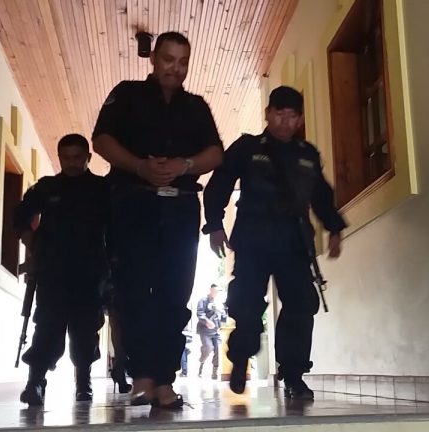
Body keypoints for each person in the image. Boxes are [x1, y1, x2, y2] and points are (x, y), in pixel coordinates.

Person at [91, 31, 223, 409]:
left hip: (180, 208)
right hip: (133, 203)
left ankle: (165, 378)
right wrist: (138, 166)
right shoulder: (127, 94)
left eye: (183, 62)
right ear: (153, 59)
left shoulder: (196, 106)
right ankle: (142, 377)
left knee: (175, 291)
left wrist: (185, 165)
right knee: (133, 290)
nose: (175, 68)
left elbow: (216, 153)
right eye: (168, 59)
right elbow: (101, 140)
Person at [202, 86, 347, 400]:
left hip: (293, 242)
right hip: (253, 239)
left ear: (300, 119)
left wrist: (334, 228)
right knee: (247, 304)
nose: (284, 121)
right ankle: (241, 356)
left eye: (292, 116)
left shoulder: (307, 154)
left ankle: (293, 375)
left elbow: (321, 196)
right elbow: (220, 183)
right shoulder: (247, 147)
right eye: (279, 113)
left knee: (300, 306)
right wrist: (214, 224)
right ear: (268, 114)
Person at [13, 134, 109, 406]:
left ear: (88, 157)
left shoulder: (102, 189)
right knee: (47, 327)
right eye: (66, 158)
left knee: (85, 331)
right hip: (52, 271)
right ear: (59, 158)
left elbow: (116, 229)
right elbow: (20, 216)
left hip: (90, 273)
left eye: (77, 157)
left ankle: (83, 382)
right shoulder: (47, 187)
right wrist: (31, 243)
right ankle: (35, 382)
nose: (72, 163)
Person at [196, 284, 227, 379]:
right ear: (210, 290)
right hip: (205, 330)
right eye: (214, 291)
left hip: (216, 330)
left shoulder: (218, 302)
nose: (215, 293)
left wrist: (223, 318)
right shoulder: (203, 300)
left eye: (217, 291)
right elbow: (200, 313)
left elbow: (223, 316)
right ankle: (201, 363)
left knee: (218, 350)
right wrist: (207, 322)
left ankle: (214, 372)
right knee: (208, 347)